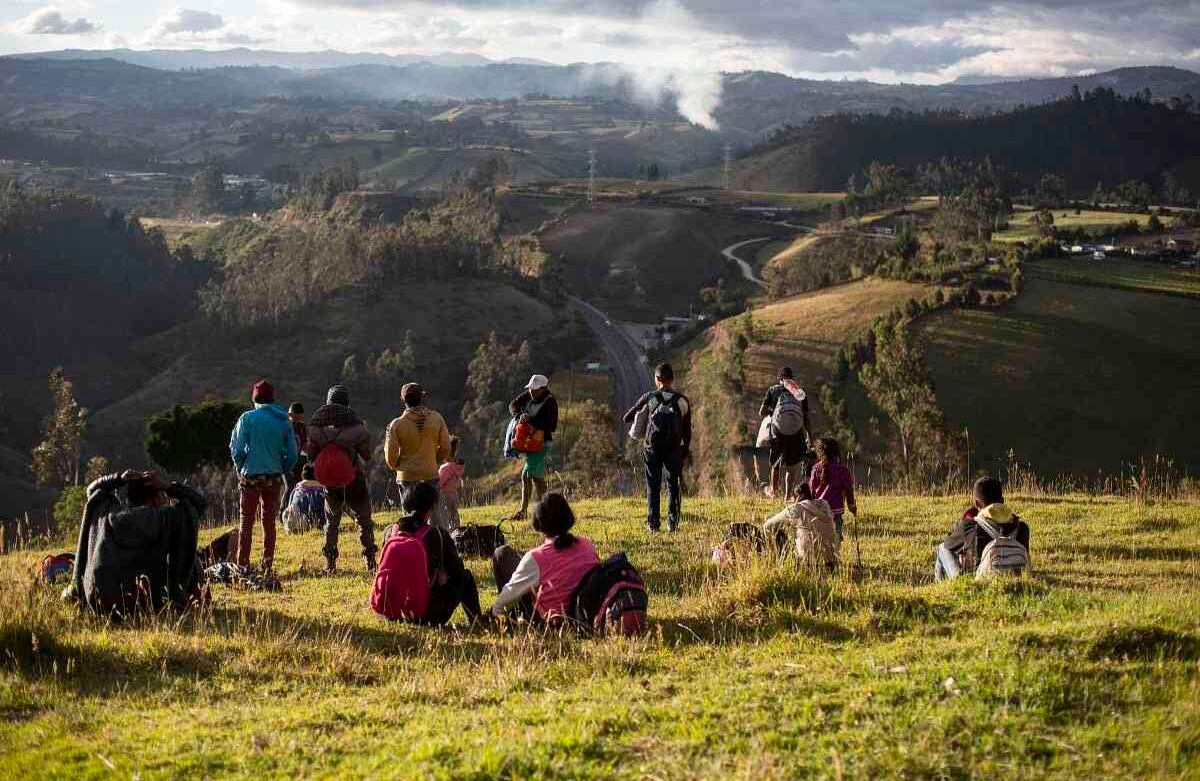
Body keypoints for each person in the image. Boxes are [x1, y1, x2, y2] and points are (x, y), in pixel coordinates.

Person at [71, 469, 206, 618]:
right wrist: (167, 487)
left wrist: (118, 479)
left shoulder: (109, 515)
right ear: (156, 498)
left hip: (103, 604)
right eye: (162, 496)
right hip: (153, 605)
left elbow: (92, 491)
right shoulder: (167, 519)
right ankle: (197, 601)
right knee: (191, 555)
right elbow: (199, 504)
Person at [374, 482, 484, 626]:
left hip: (392, 612)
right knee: (466, 577)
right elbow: (456, 571)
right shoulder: (436, 534)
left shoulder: (389, 532)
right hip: (427, 615)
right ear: (431, 508)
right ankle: (478, 622)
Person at [491, 492, 600, 623]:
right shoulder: (586, 545)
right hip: (585, 614)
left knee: (501, 553)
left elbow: (508, 596)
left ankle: (509, 619)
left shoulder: (536, 558)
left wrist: (493, 613)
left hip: (550, 621)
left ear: (539, 524)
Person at [229, 380, 298, 574]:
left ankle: (243, 564)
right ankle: (267, 564)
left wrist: (241, 465)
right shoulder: (284, 420)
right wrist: (281, 468)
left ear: (254, 399)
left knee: (246, 520)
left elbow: (236, 449)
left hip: (251, 475)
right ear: (272, 398)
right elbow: (292, 454)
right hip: (274, 476)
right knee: (269, 521)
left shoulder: (247, 418)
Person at [307, 384, 377, 573]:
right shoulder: (356, 426)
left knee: (331, 523)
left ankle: (330, 564)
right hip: (354, 479)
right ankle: (370, 561)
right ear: (347, 403)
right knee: (363, 521)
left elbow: (311, 456)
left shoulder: (316, 427)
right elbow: (367, 455)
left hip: (330, 482)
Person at [622, 362, 691, 532]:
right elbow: (687, 430)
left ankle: (653, 525)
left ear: (657, 379)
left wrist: (641, 414)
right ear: (672, 379)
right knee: (673, 485)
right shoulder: (682, 400)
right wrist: (684, 452)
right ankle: (673, 524)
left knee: (653, 485)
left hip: (652, 448)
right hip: (674, 449)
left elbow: (626, 418)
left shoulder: (649, 397)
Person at [935, 476, 1030, 581]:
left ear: (976, 503)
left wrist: (961, 523)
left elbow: (949, 543)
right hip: (1016, 581)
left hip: (980, 582)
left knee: (942, 548)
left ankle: (945, 588)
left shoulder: (971, 526)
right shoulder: (1021, 527)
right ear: (1002, 501)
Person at [384, 382, 451, 526]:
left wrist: (399, 465)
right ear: (422, 398)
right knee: (436, 516)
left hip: (406, 476)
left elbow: (390, 459)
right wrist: (434, 460)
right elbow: (446, 446)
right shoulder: (436, 418)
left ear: (403, 400)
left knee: (409, 517)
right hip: (430, 473)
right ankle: (438, 543)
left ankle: (413, 544)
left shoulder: (396, 424)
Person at [508, 374, 559, 521]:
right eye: (531, 389)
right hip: (529, 444)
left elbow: (552, 426)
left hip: (542, 444)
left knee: (526, 475)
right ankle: (547, 510)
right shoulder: (529, 394)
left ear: (543, 388)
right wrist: (520, 416)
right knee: (537, 478)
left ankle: (523, 511)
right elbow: (513, 405)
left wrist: (532, 421)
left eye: (535, 389)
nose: (532, 392)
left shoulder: (550, 402)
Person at [758, 367, 812, 499]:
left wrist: (772, 410)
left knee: (776, 464)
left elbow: (761, 412)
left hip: (778, 431)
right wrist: (810, 436)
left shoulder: (773, 390)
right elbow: (806, 418)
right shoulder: (800, 393)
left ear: (780, 379)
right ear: (792, 378)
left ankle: (774, 492)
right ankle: (787, 496)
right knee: (791, 466)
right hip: (796, 430)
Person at [762, 483, 839, 572]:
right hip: (830, 559)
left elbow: (767, 525)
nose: (793, 500)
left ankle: (781, 565)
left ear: (800, 495)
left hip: (809, 560)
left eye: (794, 497)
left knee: (777, 531)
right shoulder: (825, 505)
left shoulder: (797, 508)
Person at [808, 436, 856, 543]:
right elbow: (849, 490)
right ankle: (834, 557)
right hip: (836, 511)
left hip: (819, 511)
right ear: (836, 452)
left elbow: (811, 490)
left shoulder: (815, 468)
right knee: (836, 538)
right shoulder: (842, 469)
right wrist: (851, 505)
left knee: (820, 538)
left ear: (819, 452)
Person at [282, 464, 327, 534]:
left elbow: (289, 507)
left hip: (298, 524)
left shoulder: (296, 490)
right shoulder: (323, 490)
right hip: (320, 523)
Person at [438, 436, 466, 532]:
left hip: (445, 495)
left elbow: (440, 483)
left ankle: (448, 532)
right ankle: (456, 530)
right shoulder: (457, 467)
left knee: (446, 515)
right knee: (454, 513)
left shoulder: (445, 468)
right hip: (454, 494)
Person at [283, 402, 309, 504]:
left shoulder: (302, 427)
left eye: (300, 416)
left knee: (299, 486)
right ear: (291, 414)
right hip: (286, 460)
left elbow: (304, 445)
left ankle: (297, 510)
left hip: (298, 459)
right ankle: (283, 512)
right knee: (290, 486)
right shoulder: (284, 426)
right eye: (295, 416)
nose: (298, 418)